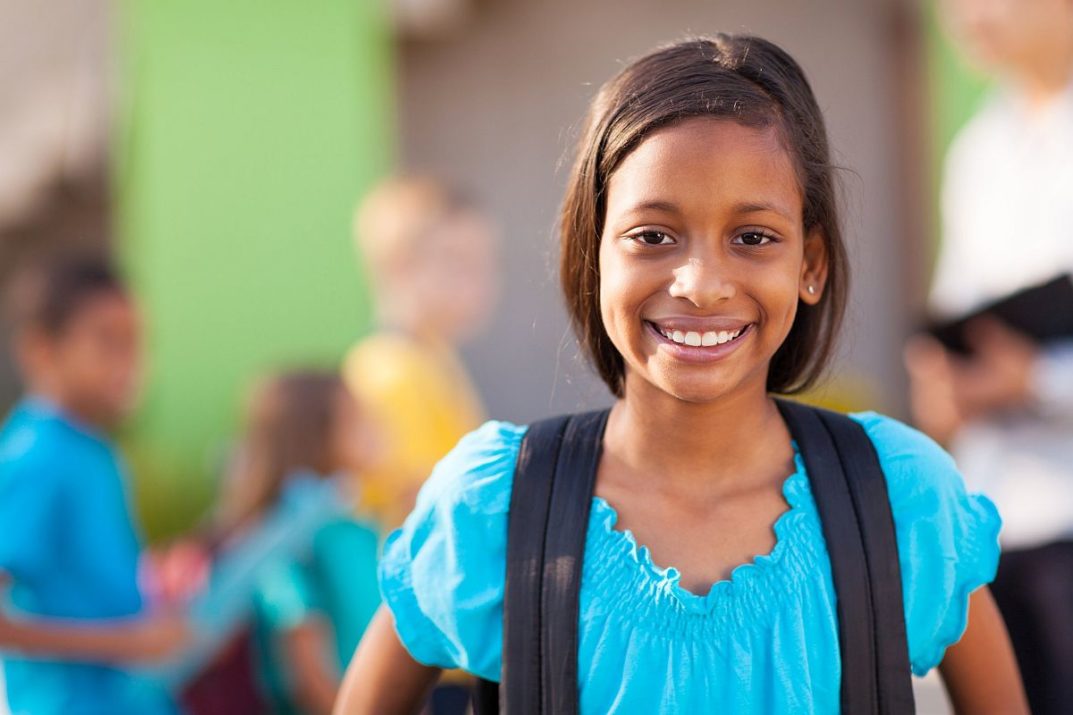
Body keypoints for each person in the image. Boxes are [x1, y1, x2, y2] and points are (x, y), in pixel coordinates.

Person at [336, 35, 1026, 713]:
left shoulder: (898, 499)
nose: (699, 284)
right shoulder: (497, 508)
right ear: (592, 251)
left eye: (752, 237)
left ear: (810, 264)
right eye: (652, 236)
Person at [904, 1, 1073, 712]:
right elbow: (954, 305)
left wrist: (1034, 379)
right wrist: (943, 380)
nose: (967, 14)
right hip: (999, 517)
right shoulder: (979, 148)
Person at [0, 256, 184, 714]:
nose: (130, 363)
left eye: (136, 344)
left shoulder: (94, 450)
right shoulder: (35, 455)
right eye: (107, 342)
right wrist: (127, 643)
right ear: (41, 349)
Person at [216, 370, 381, 714]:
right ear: (313, 434)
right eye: (356, 418)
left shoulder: (356, 528)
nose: (375, 426)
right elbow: (305, 670)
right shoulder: (281, 541)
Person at [343, 176, 498, 532]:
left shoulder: (433, 356)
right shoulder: (391, 371)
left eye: (486, 262)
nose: (481, 280)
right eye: (458, 262)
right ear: (401, 267)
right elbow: (424, 499)